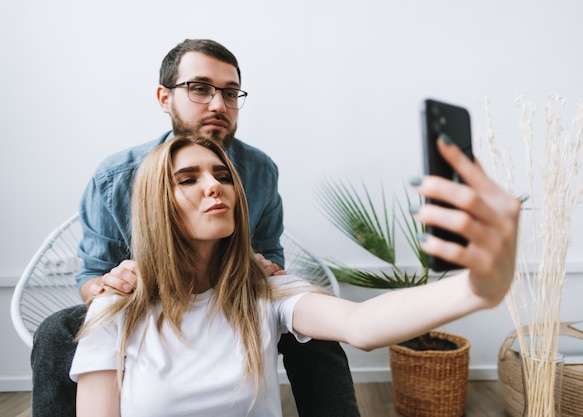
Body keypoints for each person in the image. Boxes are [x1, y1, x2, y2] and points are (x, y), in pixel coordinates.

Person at [70, 134, 521, 417]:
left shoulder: (265, 290)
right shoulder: (117, 309)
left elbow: (361, 326)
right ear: (156, 206)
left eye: (221, 173)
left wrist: (479, 288)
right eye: (187, 179)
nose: (214, 185)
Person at [30, 39, 359, 417]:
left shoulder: (260, 170)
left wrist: (257, 265)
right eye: (200, 89)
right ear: (164, 97)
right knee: (57, 330)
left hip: (230, 301)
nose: (219, 104)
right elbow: (91, 275)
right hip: (144, 306)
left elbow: (271, 262)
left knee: (315, 333)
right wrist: (114, 287)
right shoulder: (116, 177)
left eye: (231, 92)